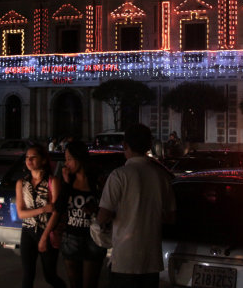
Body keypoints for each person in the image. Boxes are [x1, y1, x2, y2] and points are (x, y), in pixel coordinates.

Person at [98, 123, 176, 288]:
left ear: (125, 145)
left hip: (124, 260)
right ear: (149, 145)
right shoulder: (161, 176)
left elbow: (102, 216)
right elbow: (171, 217)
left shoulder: (119, 175)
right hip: (151, 261)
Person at [56, 141, 106, 288]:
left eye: (69, 159)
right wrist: (65, 183)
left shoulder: (97, 180)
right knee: (74, 283)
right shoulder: (68, 181)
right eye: (65, 159)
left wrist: (95, 208)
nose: (67, 163)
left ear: (79, 158)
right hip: (71, 237)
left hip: (93, 238)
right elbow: (59, 207)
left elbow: (109, 206)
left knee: (90, 283)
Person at [16, 144, 66, 288]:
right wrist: (43, 209)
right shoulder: (22, 183)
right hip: (28, 231)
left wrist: (44, 238)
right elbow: (21, 213)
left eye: (33, 157)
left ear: (43, 160)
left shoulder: (52, 181)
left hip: (47, 230)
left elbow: (56, 212)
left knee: (50, 276)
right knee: (27, 275)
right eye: (27, 158)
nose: (29, 161)